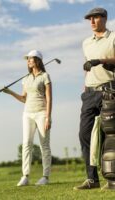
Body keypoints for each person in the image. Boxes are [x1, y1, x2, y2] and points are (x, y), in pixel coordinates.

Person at [74, 7, 115, 190]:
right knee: (84, 134)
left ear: (105, 19)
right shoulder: (86, 43)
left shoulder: (113, 37)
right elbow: (87, 67)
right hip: (90, 93)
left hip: (109, 91)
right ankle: (92, 179)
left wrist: (101, 60)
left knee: (109, 136)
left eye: (95, 17)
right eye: (89, 18)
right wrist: (85, 88)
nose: (91, 21)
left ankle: (111, 179)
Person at [3, 50, 52, 186]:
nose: (28, 61)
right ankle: (25, 176)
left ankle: (45, 177)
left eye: (30, 59)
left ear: (37, 60)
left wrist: (48, 117)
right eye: (27, 59)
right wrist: (10, 92)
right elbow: (24, 98)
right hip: (27, 114)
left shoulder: (45, 76)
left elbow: (49, 98)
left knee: (44, 145)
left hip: (42, 113)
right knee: (26, 144)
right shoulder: (26, 78)